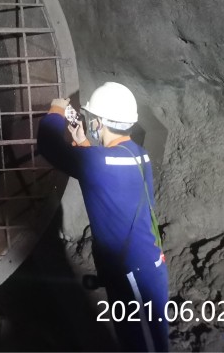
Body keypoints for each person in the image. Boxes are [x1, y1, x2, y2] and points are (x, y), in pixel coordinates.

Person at [37, 82, 169, 352]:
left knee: (144, 347)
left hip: (133, 273)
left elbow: (49, 145)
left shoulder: (99, 162)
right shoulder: (139, 155)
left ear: (99, 122)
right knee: (140, 341)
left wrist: (56, 111)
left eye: (93, 119)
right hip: (146, 264)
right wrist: (82, 141)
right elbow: (102, 173)